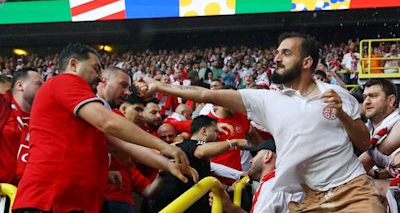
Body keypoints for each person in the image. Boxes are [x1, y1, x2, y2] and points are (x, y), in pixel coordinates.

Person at [136, 32, 384, 212]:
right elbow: (205, 94)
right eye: (277, 52)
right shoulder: (267, 100)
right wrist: (159, 86)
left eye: (286, 53)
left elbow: (363, 142)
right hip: (309, 199)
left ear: (307, 62)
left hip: (353, 191)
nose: (276, 58)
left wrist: (341, 113)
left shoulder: (339, 95)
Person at [13, 43, 189, 213]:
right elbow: (108, 122)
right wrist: (164, 147)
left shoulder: (82, 110)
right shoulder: (64, 81)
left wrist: (169, 164)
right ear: (73, 65)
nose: (99, 76)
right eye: (95, 68)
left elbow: (126, 145)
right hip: (49, 200)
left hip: (78, 201)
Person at [152, 115, 248, 213]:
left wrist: (234, 179)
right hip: (171, 206)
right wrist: (233, 142)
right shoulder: (189, 146)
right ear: (204, 131)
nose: (218, 136)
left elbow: (209, 171)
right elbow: (200, 152)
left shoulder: (194, 152)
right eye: (215, 131)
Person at [211, 140, 304, 213]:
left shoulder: (271, 185)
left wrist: (229, 207)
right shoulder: (289, 180)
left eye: (255, 155)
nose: (251, 160)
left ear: (267, 156)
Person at [0, 68, 43, 185]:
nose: (43, 88)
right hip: (4, 191)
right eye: (38, 84)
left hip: (29, 191)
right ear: (20, 85)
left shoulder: (44, 117)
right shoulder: (3, 106)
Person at [359, 79, 400, 178]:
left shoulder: (397, 124)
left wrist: (377, 175)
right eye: (365, 97)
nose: (367, 102)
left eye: (373, 96)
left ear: (390, 100)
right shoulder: (369, 126)